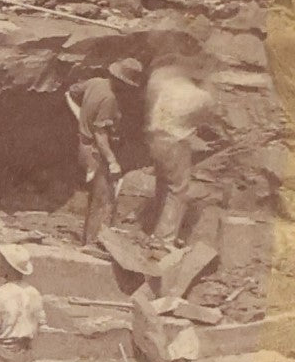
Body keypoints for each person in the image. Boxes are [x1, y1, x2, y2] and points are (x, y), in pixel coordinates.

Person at [66, 58, 144, 246]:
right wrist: (112, 161)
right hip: (95, 152)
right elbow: (101, 135)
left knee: (95, 196)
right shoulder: (110, 100)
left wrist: (80, 115)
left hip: (83, 145)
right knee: (101, 199)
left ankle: (88, 239)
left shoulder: (95, 83)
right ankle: (92, 243)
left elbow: (71, 92)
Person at [145, 62, 216, 244]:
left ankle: (155, 229)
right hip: (175, 142)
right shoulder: (200, 96)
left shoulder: (168, 82)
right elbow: (208, 116)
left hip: (155, 139)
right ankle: (164, 238)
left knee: (163, 185)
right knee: (178, 190)